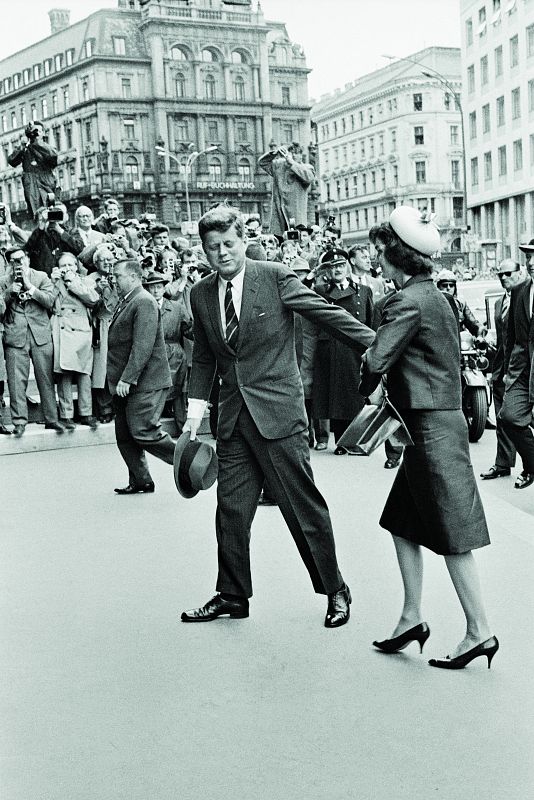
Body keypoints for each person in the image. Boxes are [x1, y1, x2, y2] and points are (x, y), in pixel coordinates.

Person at [180, 205, 375, 627]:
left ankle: (335, 589)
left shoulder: (274, 277)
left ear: (244, 241)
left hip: (279, 416)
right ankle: (232, 594)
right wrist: (195, 413)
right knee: (230, 510)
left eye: (229, 244)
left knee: (301, 508)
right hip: (232, 418)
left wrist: (379, 346)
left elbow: (328, 313)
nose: (223, 254)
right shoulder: (199, 294)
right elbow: (203, 358)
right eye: (213, 248)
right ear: (204, 250)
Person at [361, 206, 498, 670]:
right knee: (402, 522)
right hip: (435, 423)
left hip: (430, 428)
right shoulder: (432, 295)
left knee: (453, 533)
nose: (376, 260)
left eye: (381, 252)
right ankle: (410, 617)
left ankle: (479, 631)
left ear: (397, 255)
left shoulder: (406, 301)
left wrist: (367, 367)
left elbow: (376, 360)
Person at [107, 258, 176, 495]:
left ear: (134, 277)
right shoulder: (129, 300)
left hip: (144, 382)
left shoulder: (143, 301)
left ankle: (188, 460)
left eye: (118, 276)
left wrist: (128, 378)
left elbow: (143, 346)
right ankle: (141, 480)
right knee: (125, 435)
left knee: (143, 431)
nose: (113, 280)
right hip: (125, 383)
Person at [312, 248, 374, 453]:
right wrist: (315, 273)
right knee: (332, 394)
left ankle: (353, 440)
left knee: (353, 394)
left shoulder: (363, 291)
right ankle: (338, 441)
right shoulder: (321, 291)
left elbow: (371, 322)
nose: (337, 270)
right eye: (331, 267)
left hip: (353, 349)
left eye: (340, 265)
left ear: (348, 266)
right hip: (329, 349)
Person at [1, 247, 65, 437]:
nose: (18, 263)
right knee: (15, 382)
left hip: (40, 334)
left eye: (21, 258)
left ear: (27, 258)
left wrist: (30, 287)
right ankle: (19, 422)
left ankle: (52, 419)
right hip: (15, 335)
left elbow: (50, 301)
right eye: (13, 261)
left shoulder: (41, 276)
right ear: (8, 263)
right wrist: (8, 294)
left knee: (46, 379)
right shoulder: (4, 282)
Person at [480, 259, 526, 481]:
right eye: (500, 275)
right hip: (502, 368)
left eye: (508, 273)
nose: (504, 278)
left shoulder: (526, 297)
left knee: (519, 417)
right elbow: (503, 340)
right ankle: (503, 462)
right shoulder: (499, 304)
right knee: (502, 418)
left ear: (520, 272)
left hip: (524, 371)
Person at [498, 239, 534, 490]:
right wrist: (509, 372)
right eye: (529, 257)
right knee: (509, 415)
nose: (531, 263)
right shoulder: (520, 290)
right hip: (523, 370)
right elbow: (511, 337)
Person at [50, 252, 99, 430]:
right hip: (61, 328)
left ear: (77, 266)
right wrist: (55, 283)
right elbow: (49, 303)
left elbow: (93, 299)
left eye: (71, 265)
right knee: (64, 373)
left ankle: (86, 413)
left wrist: (73, 282)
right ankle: (66, 414)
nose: (67, 269)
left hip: (82, 330)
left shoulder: (85, 281)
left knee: (84, 374)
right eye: (63, 266)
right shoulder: (53, 281)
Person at [142, 271, 192, 434]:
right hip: (152, 354)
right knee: (155, 392)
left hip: (174, 355)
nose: (155, 291)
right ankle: (150, 430)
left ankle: (184, 430)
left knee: (179, 393)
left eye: (158, 287)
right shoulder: (142, 307)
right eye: (152, 288)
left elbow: (190, 329)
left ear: (164, 289)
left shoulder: (176, 308)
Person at [86, 246, 120, 423]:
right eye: (103, 260)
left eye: (110, 259)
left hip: (120, 323)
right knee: (102, 371)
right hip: (101, 325)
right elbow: (89, 304)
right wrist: (98, 291)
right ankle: (105, 408)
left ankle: (119, 408)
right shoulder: (91, 279)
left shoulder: (119, 275)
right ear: (95, 263)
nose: (107, 263)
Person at [258, 142, 315, 237]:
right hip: (279, 217)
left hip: (297, 218)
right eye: (292, 153)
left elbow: (309, 177)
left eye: (298, 153)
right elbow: (262, 162)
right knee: (280, 242)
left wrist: (292, 162)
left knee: (297, 242)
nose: (296, 156)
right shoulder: (279, 166)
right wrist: (275, 152)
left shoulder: (307, 168)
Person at [7, 121, 58, 217]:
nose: (35, 134)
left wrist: (37, 143)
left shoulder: (47, 147)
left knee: (51, 213)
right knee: (37, 215)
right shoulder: (25, 149)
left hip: (46, 182)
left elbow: (53, 158)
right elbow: (12, 161)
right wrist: (23, 145)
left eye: (37, 131)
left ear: (43, 133)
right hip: (31, 183)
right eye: (33, 131)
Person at [25, 204, 82, 276]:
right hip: (45, 277)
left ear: (66, 216)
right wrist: (42, 224)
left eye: (59, 213)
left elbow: (79, 249)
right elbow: (28, 249)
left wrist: (60, 230)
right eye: (53, 213)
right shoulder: (39, 234)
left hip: (68, 274)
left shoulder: (71, 231)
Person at [435, 269, 486, 337]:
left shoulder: (461, 304)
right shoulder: (433, 304)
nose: (448, 288)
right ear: (438, 287)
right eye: (444, 285)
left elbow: (472, 322)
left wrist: (479, 329)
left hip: (460, 343)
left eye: (451, 285)